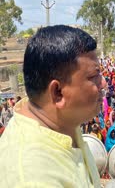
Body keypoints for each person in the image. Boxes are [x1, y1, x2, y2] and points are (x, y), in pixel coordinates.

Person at [0, 25, 105, 187]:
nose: (103, 83)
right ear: (58, 93)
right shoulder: (33, 179)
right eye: (94, 76)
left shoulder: (64, 123)